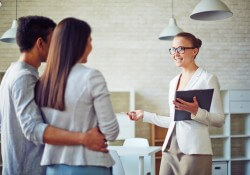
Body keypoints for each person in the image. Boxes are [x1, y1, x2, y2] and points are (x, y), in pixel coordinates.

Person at [0, 16, 109, 175]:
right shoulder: (23, 77)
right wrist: (84, 138)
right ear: (40, 43)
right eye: (55, 41)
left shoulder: (12, 73)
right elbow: (33, 129)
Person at [128, 32, 225, 175]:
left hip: (194, 151)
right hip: (169, 149)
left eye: (180, 49)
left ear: (194, 51)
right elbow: (175, 122)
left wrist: (196, 112)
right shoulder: (173, 82)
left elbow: (219, 120)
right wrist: (144, 115)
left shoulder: (207, 79)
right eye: (172, 49)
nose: (175, 53)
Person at [35, 17, 119, 175]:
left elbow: (41, 129)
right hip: (89, 165)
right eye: (90, 40)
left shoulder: (42, 82)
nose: (91, 46)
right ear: (79, 43)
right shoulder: (91, 76)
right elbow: (111, 132)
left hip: (53, 168)